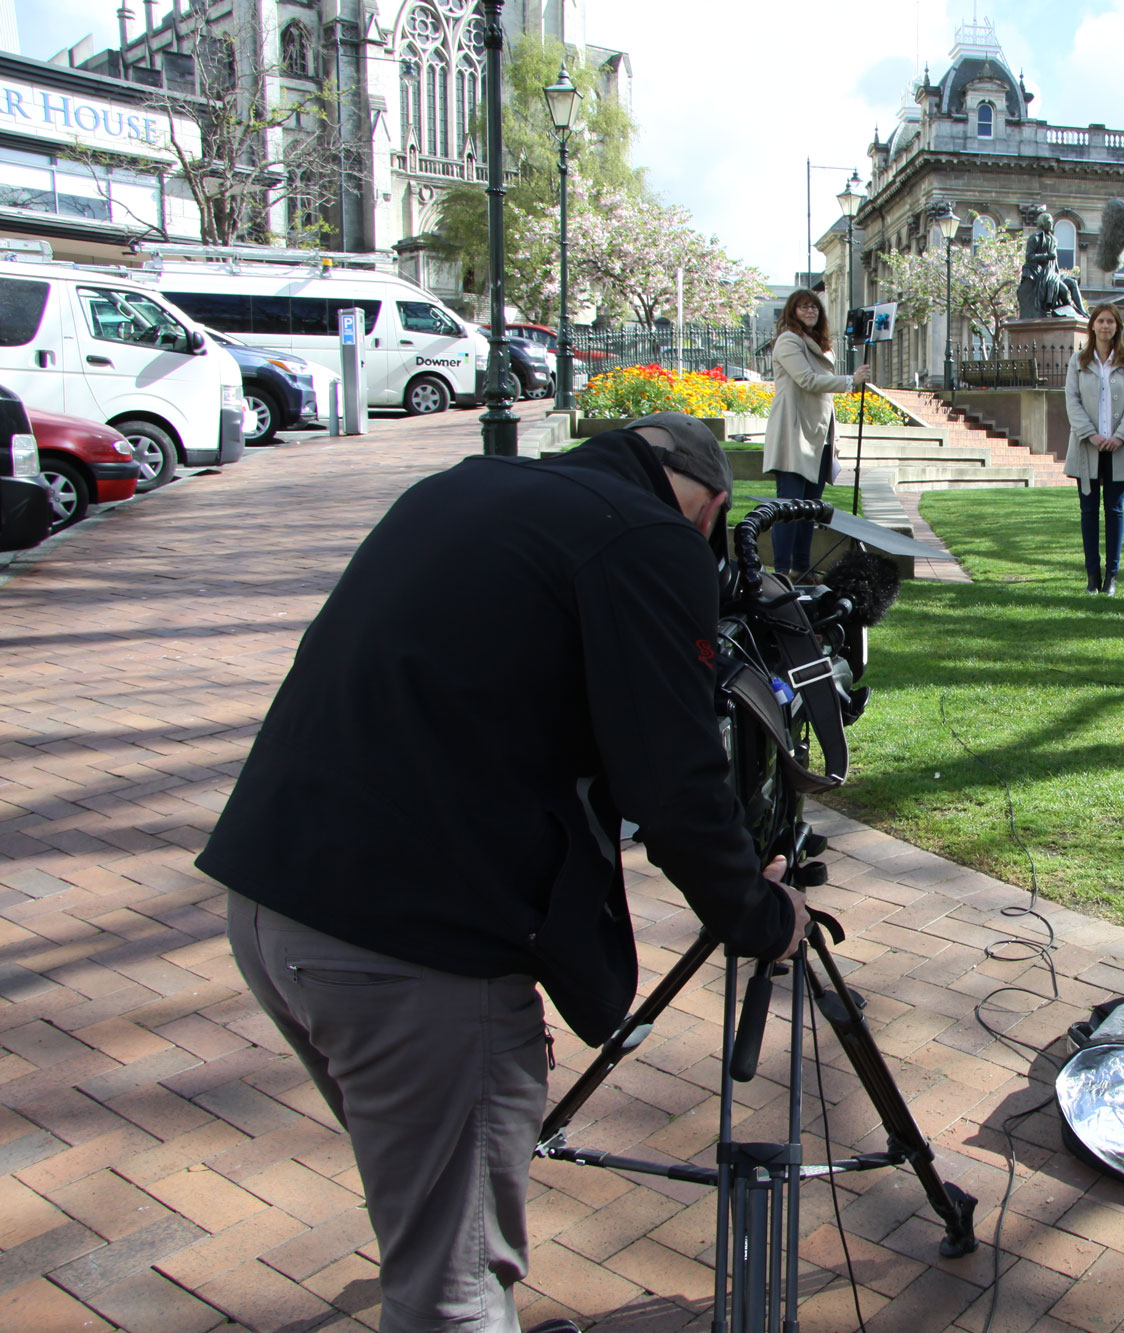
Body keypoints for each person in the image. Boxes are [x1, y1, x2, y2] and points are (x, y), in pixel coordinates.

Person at [198, 412, 810, 1333]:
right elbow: (675, 781)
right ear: (712, 507)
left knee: (427, 1205)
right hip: (410, 950)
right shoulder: (649, 537)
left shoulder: (462, 485)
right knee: (453, 1284)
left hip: (269, 900)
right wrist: (760, 915)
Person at [766, 288, 866, 580]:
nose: (810, 311)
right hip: (794, 435)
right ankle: (782, 572)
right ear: (792, 311)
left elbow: (825, 400)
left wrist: (833, 438)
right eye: (803, 307)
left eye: (814, 307)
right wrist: (850, 380)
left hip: (819, 437)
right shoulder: (788, 341)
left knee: (810, 511)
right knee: (789, 509)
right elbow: (808, 381)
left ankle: (802, 567)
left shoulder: (821, 346)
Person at [1062, 303, 1124, 596]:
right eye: (1101, 321)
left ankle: (1112, 576)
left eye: (1110, 321)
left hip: (1118, 448)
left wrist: (1120, 436)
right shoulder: (1078, 361)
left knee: (1114, 510)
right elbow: (1072, 401)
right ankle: (1091, 576)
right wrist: (1092, 436)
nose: (1105, 326)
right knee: (1088, 512)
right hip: (1087, 447)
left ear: (1117, 327)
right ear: (1093, 326)